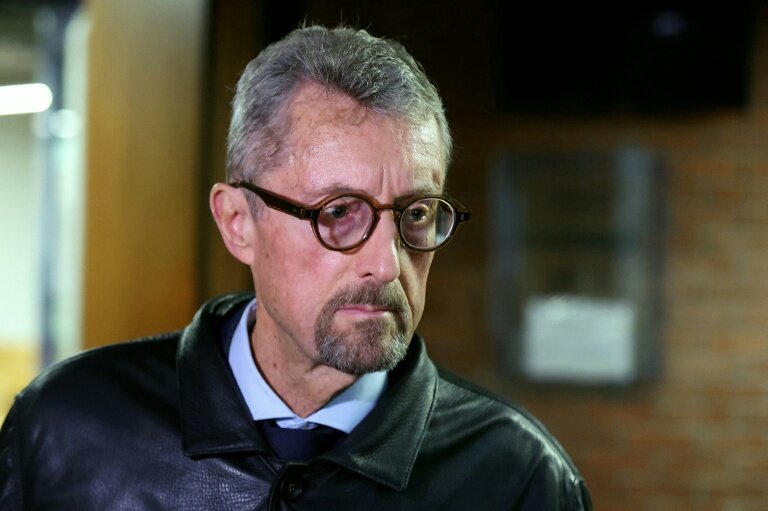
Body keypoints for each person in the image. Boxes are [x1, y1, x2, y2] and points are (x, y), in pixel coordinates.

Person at [0, 25, 592, 510]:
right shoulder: (65, 428)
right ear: (238, 223)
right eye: (338, 212)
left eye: (415, 213)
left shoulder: (520, 479)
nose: (387, 264)